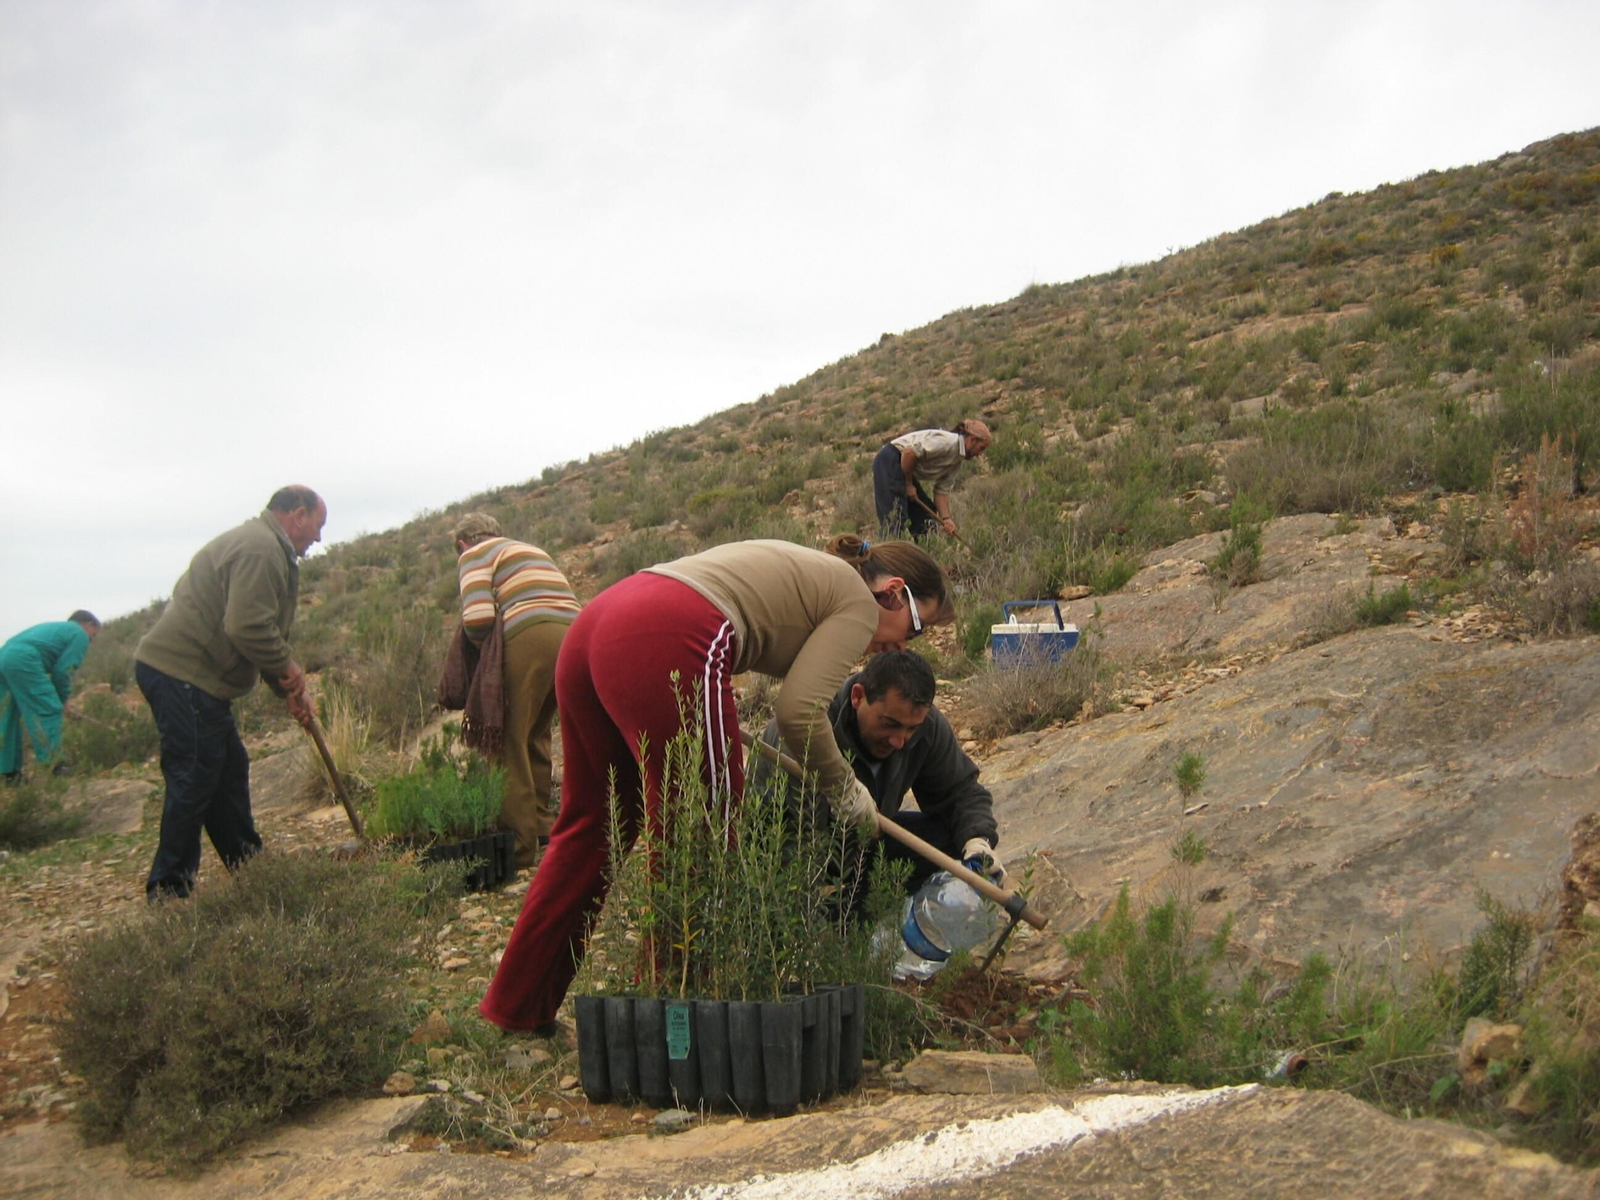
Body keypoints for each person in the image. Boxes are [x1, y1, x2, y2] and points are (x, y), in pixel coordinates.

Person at [478, 534, 953, 1033]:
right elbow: (798, 712)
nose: (904, 645)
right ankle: (671, 1027)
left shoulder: (821, 578)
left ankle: (518, 1006)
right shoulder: (857, 599)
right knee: (702, 840)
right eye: (915, 627)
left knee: (595, 826)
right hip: (672, 633)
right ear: (894, 591)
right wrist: (845, 789)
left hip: (597, 623)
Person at [136, 486, 326, 901]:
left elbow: (254, 629)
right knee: (194, 777)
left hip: (193, 679)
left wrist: (285, 687)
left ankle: (251, 871)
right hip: (182, 674)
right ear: (298, 514)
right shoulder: (261, 548)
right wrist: (289, 668)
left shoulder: (264, 545)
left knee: (226, 770)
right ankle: (169, 892)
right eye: (317, 525)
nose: (318, 537)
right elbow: (246, 626)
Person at [751, 649, 1003, 893]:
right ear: (858, 697)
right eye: (890, 724)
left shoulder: (924, 725)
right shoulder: (804, 732)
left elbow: (961, 791)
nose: (899, 741)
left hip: (866, 852)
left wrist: (977, 841)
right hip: (790, 864)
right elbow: (789, 846)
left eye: (911, 729)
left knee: (951, 838)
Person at [451, 512, 581, 869]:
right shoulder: (528, 550)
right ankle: (542, 826)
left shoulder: (473, 554)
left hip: (530, 633)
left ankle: (519, 847)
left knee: (507, 739)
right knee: (535, 732)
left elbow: (477, 618)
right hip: (575, 635)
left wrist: (483, 655)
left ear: (462, 543)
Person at [0, 611, 102, 782]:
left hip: (4, 655)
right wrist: (63, 700)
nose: (91, 641)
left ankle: (8, 774)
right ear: (89, 624)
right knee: (48, 709)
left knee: (6, 714)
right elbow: (63, 671)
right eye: (94, 635)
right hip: (24, 659)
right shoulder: (79, 634)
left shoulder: (58, 629)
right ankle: (55, 765)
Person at [873, 419, 992, 539]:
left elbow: (941, 491)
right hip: (890, 460)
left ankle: (924, 549)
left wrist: (946, 519)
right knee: (895, 519)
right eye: (981, 448)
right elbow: (909, 453)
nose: (980, 454)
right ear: (972, 440)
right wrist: (908, 484)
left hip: (903, 467)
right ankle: (887, 550)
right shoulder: (947, 442)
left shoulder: (956, 461)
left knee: (926, 518)